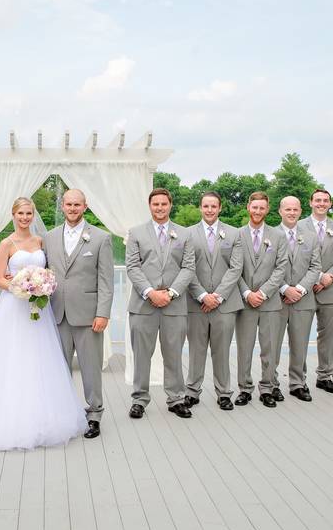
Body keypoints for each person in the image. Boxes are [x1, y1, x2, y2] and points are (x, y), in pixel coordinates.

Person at [0, 198, 88, 449]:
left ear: (33, 216)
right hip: (15, 308)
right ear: (13, 215)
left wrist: (41, 284)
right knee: (13, 357)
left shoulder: (40, 242)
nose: (25, 217)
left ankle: (45, 415)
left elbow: (49, 271)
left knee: (41, 358)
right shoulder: (5, 244)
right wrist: (20, 286)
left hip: (38, 310)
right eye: (21, 213)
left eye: (29, 213)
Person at [43, 189, 114, 438]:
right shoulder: (48, 238)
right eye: (68, 204)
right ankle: (62, 413)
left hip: (88, 316)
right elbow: (42, 273)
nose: (72, 208)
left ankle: (94, 414)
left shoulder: (100, 238)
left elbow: (106, 281)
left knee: (90, 368)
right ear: (62, 206)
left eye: (77, 204)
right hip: (56, 313)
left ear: (85, 206)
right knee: (58, 368)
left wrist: (103, 313)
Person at [125, 188, 196, 419]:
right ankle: (139, 399)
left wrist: (172, 293)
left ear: (170, 205)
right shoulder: (136, 233)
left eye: (164, 204)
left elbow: (188, 268)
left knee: (173, 353)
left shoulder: (184, 234)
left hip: (174, 306)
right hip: (143, 305)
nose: (160, 208)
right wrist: (150, 292)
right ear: (150, 206)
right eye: (155, 204)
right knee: (142, 355)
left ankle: (176, 398)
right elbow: (133, 267)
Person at [183, 191, 243, 411]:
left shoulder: (234, 234)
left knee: (222, 350)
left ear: (220, 208)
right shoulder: (187, 234)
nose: (209, 210)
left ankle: (224, 393)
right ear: (200, 208)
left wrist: (217, 296)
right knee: (196, 349)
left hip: (224, 304)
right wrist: (201, 295)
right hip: (195, 303)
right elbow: (187, 267)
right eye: (206, 206)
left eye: (213, 206)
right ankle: (192, 392)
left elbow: (236, 268)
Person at [231, 191, 289, 408]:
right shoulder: (236, 235)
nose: (257, 211)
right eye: (254, 207)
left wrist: (263, 293)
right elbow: (234, 269)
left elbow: (281, 267)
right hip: (244, 302)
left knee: (270, 347)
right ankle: (245, 389)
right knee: (244, 348)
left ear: (267, 209)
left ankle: (267, 387)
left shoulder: (278, 236)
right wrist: (247, 293)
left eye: (262, 207)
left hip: (270, 302)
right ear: (248, 207)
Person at [296, 188, 333, 394]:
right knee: (299, 336)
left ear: (330, 204)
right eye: (317, 200)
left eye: (325, 200)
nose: (321, 203)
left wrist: (330, 277)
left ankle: (325, 376)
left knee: (327, 336)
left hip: (332, 289)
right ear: (310, 203)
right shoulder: (298, 226)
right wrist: (316, 277)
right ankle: (299, 378)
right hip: (304, 290)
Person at [274, 196, 321, 402]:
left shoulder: (310, 237)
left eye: (295, 209)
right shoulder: (271, 235)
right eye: (287, 209)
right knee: (272, 345)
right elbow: (268, 267)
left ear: (301, 211)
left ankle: (298, 383)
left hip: (303, 299)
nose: (291, 213)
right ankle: (271, 383)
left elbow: (315, 267)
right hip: (276, 299)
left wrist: (299, 289)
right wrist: (285, 288)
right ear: (280, 211)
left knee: (300, 344)